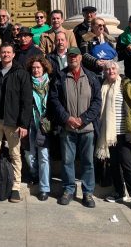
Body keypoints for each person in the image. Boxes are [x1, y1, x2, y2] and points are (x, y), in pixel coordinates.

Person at [48, 47, 102, 208]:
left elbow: (97, 102)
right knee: (67, 161)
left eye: (75, 56)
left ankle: (87, 192)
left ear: (80, 58)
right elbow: (54, 100)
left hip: (87, 128)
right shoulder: (60, 76)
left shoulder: (91, 77)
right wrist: (67, 118)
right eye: (70, 56)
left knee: (88, 162)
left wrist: (83, 119)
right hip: (67, 127)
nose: (73, 58)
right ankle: (68, 189)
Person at [0, 43, 33, 203]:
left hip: (13, 121)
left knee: (15, 154)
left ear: (14, 54)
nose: (6, 54)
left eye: (8, 52)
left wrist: (23, 123)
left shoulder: (21, 73)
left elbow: (26, 100)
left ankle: (15, 187)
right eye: (3, 52)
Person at [97, 61, 131, 210]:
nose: (110, 71)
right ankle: (119, 191)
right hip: (109, 133)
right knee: (114, 163)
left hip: (124, 132)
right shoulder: (103, 86)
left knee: (126, 163)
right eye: (107, 69)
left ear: (118, 70)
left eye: (113, 68)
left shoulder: (125, 85)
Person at [26, 55, 53, 201]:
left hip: (45, 125)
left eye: (38, 67)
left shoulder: (50, 83)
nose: (36, 70)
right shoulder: (27, 83)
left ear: (44, 69)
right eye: (34, 68)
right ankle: (35, 175)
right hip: (31, 123)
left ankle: (44, 188)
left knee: (43, 156)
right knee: (30, 156)